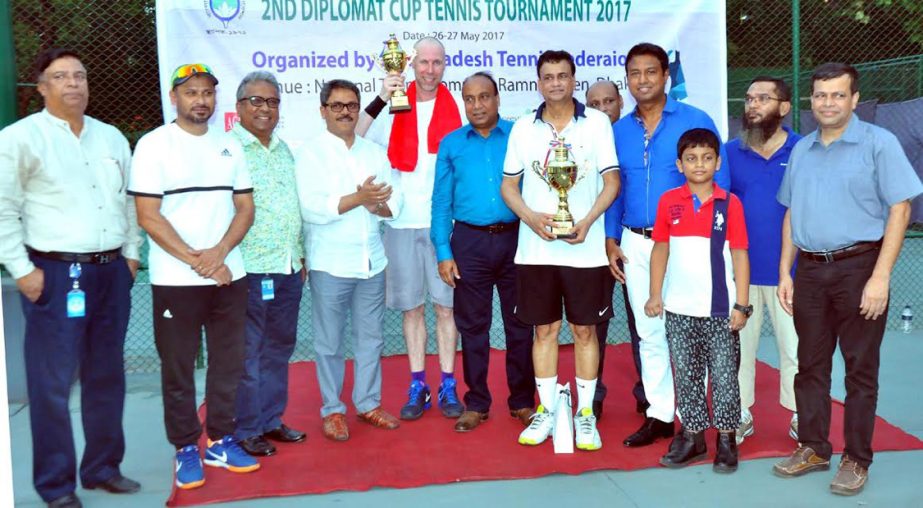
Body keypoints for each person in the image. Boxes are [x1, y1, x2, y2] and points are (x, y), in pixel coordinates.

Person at [0, 48, 142, 508]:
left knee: (106, 376)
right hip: (55, 275)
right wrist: (22, 270)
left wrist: (132, 256)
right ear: (41, 87)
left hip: (110, 273)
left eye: (79, 75)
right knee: (52, 384)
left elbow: (127, 202)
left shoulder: (111, 137)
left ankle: (103, 468)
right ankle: (56, 486)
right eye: (60, 77)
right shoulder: (19, 139)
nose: (73, 84)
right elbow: (3, 209)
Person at [773, 62, 922, 496]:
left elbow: (901, 209)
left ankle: (857, 458)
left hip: (861, 268)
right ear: (811, 100)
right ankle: (814, 446)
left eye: (838, 95)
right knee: (810, 366)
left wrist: (880, 277)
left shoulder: (880, 143)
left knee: (859, 370)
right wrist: (787, 270)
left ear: (854, 99)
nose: (828, 103)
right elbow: (791, 213)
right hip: (812, 272)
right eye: (820, 95)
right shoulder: (802, 150)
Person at [130, 63, 258, 490]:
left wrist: (220, 254)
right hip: (175, 281)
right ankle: (186, 447)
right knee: (179, 368)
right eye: (191, 93)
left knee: (228, 365)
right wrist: (198, 260)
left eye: (206, 92)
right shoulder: (152, 146)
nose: (200, 100)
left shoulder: (231, 146)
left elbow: (245, 209)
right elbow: (148, 216)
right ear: (174, 98)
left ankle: (221, 440)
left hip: (228, 276)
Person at [606, 42, 731, 448]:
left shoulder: (696, 120)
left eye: (650, 72)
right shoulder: (619, 130)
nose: (642, 81)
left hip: (687, 244)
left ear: (665, 76)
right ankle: (660, 414)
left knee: (695, 330)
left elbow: (720, 185)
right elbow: (613, 188)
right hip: (635, 243)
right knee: (650, 331)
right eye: (634, 74)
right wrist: (611, 237)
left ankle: (693, 418)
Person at [502, 50, 620, 451]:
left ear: (573, 80)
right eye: (548, 76)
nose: (555, 83)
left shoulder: (598, 123)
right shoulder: (522, 128)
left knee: (586, 330)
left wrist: (586, 223)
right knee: (544, 330)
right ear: (539, 82)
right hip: (536, 251)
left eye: (563, 76)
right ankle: (548, 410)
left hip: (586, 252)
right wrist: (532, 218)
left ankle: (586, 414)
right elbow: (508, 187)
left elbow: (612, 182)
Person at [357, 37, 464, 420]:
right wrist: (381, 96)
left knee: (447, 310)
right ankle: (418, 383)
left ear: (444, 66)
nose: (430, 69)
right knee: (412, 310)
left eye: (437, 63)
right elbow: (354, 133)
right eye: (423, 62)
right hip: (401, 221)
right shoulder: (394, 102)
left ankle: (448, 383)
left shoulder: (459, 107)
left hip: (446, 226)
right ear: (411, 64)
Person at [296, 79, 403, 441]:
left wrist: (378, 204)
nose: (345, 111)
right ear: (323, 110)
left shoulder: (373, 152)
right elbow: (311, 208)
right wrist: (358, 199)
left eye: (352, 105)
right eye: (337, 105)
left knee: (371, 339)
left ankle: (368, 403)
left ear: (359, 109)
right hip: (330, 263)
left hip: (372, 261)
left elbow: (393, 202)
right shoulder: (310, 154)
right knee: (329, 342)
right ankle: (332, 410)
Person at [431, 72, 536, 432]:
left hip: (516, 240)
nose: (477, 105)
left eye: (484, 97)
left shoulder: (520, 136)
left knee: (520, 324)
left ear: (497, 99)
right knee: (473, 327)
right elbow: (441, 202)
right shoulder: (451, 144)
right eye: (470, 98)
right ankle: (476, 403)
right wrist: (444, 251)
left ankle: (522, 401)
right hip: (469, 244)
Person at [644, 128, 750, 473]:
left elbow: (739, 254)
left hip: (720, 310)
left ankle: (726, 439)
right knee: (687, 376)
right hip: (678, 309)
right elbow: (660, 248)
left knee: (723, 377)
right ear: (680, 164)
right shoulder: (668, 202)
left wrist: (742, 304)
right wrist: (656, 294)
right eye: (691, 158)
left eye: (707, 157)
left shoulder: (729, 204)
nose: (699, 164)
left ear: (718, 162)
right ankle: (692, 437)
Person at [229, 71, 307, 457]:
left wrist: (301, 254)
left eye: (272, 102)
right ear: (239, 107)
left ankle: (271, 420)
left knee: (279, 348)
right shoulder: (227, 150)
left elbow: (296, 206)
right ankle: (245, 428)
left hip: (288, 267)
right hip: (248, 269)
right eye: (256, 101)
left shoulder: (284, 149)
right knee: (249, 352)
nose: (265, 108)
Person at [727, 76, 801, 445]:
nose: (752, 105)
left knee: (799, 349)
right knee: (739, 349)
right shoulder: (728, 153)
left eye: (763, 99)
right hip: (740, 273)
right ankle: (739, 414)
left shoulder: (805, 150)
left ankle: (804, 415)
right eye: (749, 98)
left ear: (784, 107)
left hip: (793, 273)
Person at [585, 80, 648, 420]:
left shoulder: (632, 134)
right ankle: (591, 392)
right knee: (595, 324)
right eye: (594, 103)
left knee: (644, 322)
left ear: (620, 102)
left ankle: (649, 392)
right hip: (592, 245)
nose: (603, 109)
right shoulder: (579, 140)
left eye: (608, 101)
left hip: (634, 242)